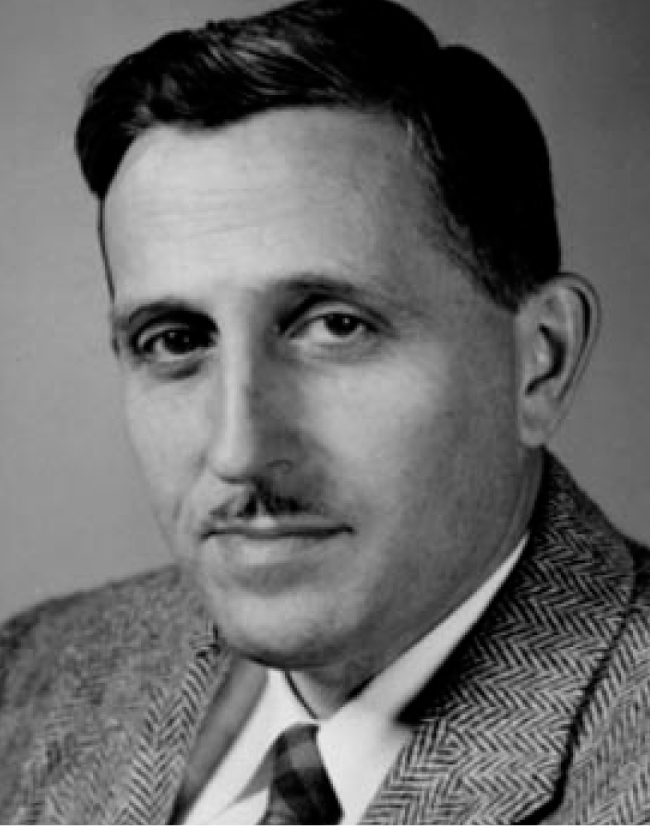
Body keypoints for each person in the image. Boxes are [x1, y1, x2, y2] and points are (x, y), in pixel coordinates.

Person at [1, 0, 648, 822]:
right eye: (176, 341)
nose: (239, 452)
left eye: (336, 327)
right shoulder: (30, 679)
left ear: (540, 361)